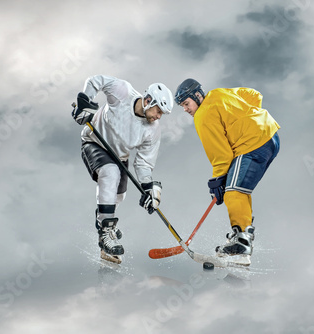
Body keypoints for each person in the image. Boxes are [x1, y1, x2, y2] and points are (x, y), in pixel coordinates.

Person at [174, 78, 280, 265]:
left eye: (186, 103)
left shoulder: (203, 115)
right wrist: (250, 117)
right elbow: (255, 95)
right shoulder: (219, 93)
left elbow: (221, 154)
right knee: (241, 189)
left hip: (252, 143)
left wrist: (217, 181)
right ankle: (244, 232)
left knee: (233, 192)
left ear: (197, 96)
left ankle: (242, 244)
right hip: (271, 136)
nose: (185, 109)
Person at [71, 75, 174, 263]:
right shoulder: (123, 92)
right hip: (94, 142)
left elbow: (143, 163)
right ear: (148, 100)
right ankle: (106, 232)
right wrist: (84, 102)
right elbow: (95, 81)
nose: (159, 116)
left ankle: (103, 221)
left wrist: (148, 188)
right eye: (158, 110)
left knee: (118, 196)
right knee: (110, 173)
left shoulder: (152, 130)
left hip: (120, 156)